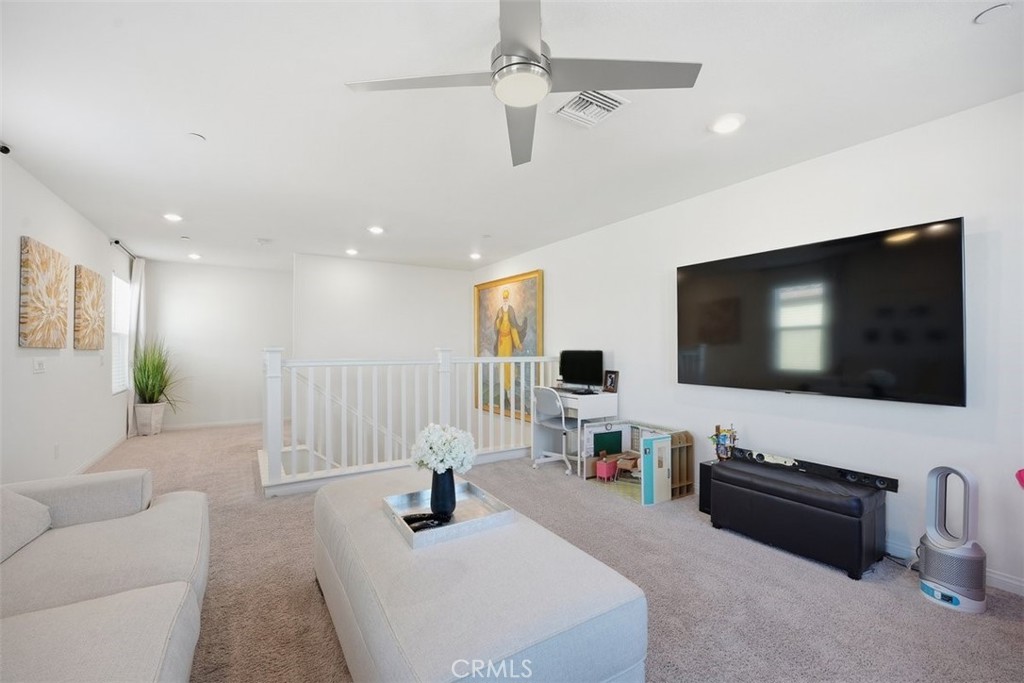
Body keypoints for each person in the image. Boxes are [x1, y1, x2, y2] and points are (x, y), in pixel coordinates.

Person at [493, 289, 528, 404]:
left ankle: (508, 391)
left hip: (508, 342)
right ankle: (503, 392)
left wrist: (518, 344)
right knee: (501, 366)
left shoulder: (511, 310)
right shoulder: (500, 311)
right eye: (504, 299)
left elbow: (513, 329)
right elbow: (497, 327)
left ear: (508, 299)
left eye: (506, 299)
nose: (505, 300)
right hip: (501, 342)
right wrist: (498, 318)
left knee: (507, 366)